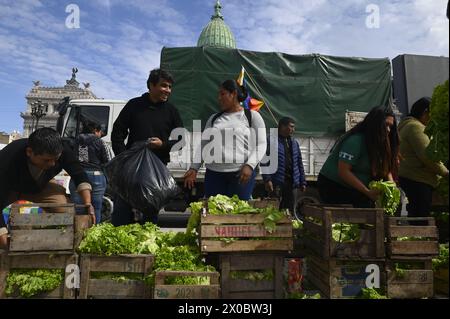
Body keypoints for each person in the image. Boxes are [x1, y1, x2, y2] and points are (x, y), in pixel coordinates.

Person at [111, 68, 183, 226]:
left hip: (155, 172)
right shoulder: (134, 105)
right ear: (151, 85)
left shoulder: (171, 111)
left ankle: (146, 247)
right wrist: (125, 158)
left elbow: (180, 141)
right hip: (130, 170)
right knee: (122, 212)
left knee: (150, 215)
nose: (168, 90)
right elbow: (117, 133)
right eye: (164, 85)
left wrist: (162, 145)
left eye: (170, 87)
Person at [0, 128, 94, 249]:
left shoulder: (63, 150)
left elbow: (79, 174)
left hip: (42, 186)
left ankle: (59, 242)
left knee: (65, 209)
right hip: (10, 187)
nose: (52, 164)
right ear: (29, 152)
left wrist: (88, 203)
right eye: (47, 160)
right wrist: (4, 242)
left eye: (56, 159)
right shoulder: (8, 158)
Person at [184, 79, 267, 200]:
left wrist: (250, 165)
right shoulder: (213, 118)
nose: (219, 98)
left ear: (233, 94)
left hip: (241, 174)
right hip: (214, 175)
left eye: (222, 94)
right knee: (214, 214)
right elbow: (204, 145)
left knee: (238, 215)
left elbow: (262, 144)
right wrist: (194, 168)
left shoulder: (252, 116)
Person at [317, 106, 399, 208]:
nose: (388, 130)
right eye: (385, 125)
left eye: (390, 126)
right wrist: (367, 192)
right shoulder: (356, 141)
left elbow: (386, 170)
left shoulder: (381, 144)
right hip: (334, 185)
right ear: (375, 124)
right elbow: (344, 171)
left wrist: (392, 187)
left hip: (357, 188)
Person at [398, 97, 449, 217]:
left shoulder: (407, 125)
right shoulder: (415, 127)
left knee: (416, 214)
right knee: (420, 217)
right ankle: (419, 236)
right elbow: (428, 156)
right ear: (425, 112)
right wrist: (446, 173)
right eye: (432, 114)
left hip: (411, 178)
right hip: (418, 179)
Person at [261, 117, 307, 214]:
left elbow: (299, 162)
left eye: (294, 127)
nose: (293, 130)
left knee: (289, 210)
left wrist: (302, 181)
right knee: (273, 210)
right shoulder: (271, 140)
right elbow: (264, 161)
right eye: (291, 127)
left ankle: (286, 228)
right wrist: (267, 179)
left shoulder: (294, 143)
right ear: (282, 126)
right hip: (276, 182)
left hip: (292, 182)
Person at [69, 121, 111, 224]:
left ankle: (79, 232)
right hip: (96, 175)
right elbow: (107, 161)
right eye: (100, 132)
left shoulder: (75, 141)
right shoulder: (100, 142)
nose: (101, 134)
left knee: (78, 208)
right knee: (96, 207)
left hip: (78, 175)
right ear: (96, 131)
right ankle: (93, 233)